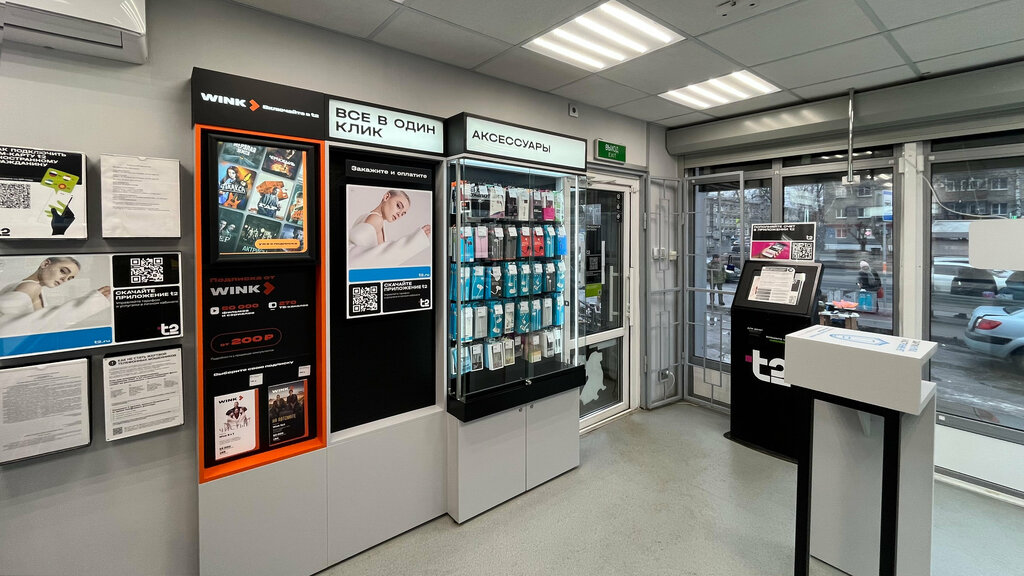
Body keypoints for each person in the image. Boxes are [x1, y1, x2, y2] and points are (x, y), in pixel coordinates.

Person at [0, 256, 111, 337]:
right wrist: (89, 304)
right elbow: (13, 326)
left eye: (69, 278)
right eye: (63, 271)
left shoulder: (30, 287)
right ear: (45, 264)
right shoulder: (31, 287)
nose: (64, 279)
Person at [348, 189, 431, 268]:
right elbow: (361, 257)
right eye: (398, 206)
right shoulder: (376, 219)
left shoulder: (370, 217)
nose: (399, 214)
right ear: (386, 197)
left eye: (403, 214)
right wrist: (415, 241)